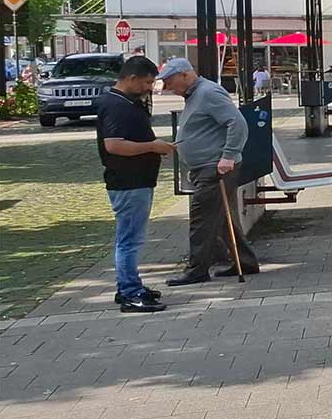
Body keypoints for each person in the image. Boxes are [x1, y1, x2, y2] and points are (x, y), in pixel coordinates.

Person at [158, 58, 260, 285]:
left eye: (169, 81)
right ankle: (245, 261)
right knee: (222, 218)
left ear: (185, 75)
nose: (167, 87)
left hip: (214, 167)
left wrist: (228, 155)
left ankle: (197, 269)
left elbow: (237, 123)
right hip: (208, 166)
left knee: (202, 218)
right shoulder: (196, 94)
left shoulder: (208, 92)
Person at [96, 56, 175, 312]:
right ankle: (130, 292)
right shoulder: (117, 106)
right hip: (128, 181)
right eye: (147, 82)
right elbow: (114, 145)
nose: (150, 88)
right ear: (131, 78)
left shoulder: (128, 103)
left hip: (137, 179)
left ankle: (129, 285)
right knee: (130, 239)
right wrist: (152, 146)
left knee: (131, 238)